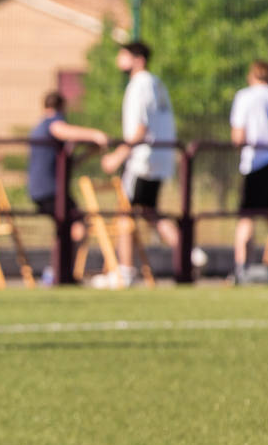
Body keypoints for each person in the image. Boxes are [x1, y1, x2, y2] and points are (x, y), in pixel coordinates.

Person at [98, 40, 180, 289]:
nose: (118, 60)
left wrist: (117, 157)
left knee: (125, 212)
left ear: (138, 59)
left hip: (142, 160)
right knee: (149, 212)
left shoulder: (139, 85)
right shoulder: (156, 83)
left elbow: (140, 129)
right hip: (160, 158)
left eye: (123, 55)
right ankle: (189, 255)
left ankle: (124, 271)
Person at [27, 91, 108, 282]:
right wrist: (95, 135)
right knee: (77, 227)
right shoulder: (51, 123)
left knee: (66, 228)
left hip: (47, 189)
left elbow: (67, 164)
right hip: (50, 190)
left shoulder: (41, 127)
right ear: (61, 108)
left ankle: (59, 271)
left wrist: (89, 153)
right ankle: (59, 271)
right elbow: (61, 130)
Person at [230, 59, 268, 284]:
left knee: (246, 217)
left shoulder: (245, 96)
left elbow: (238, 136)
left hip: (256, 164)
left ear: (252, 75)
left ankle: (240, 267)